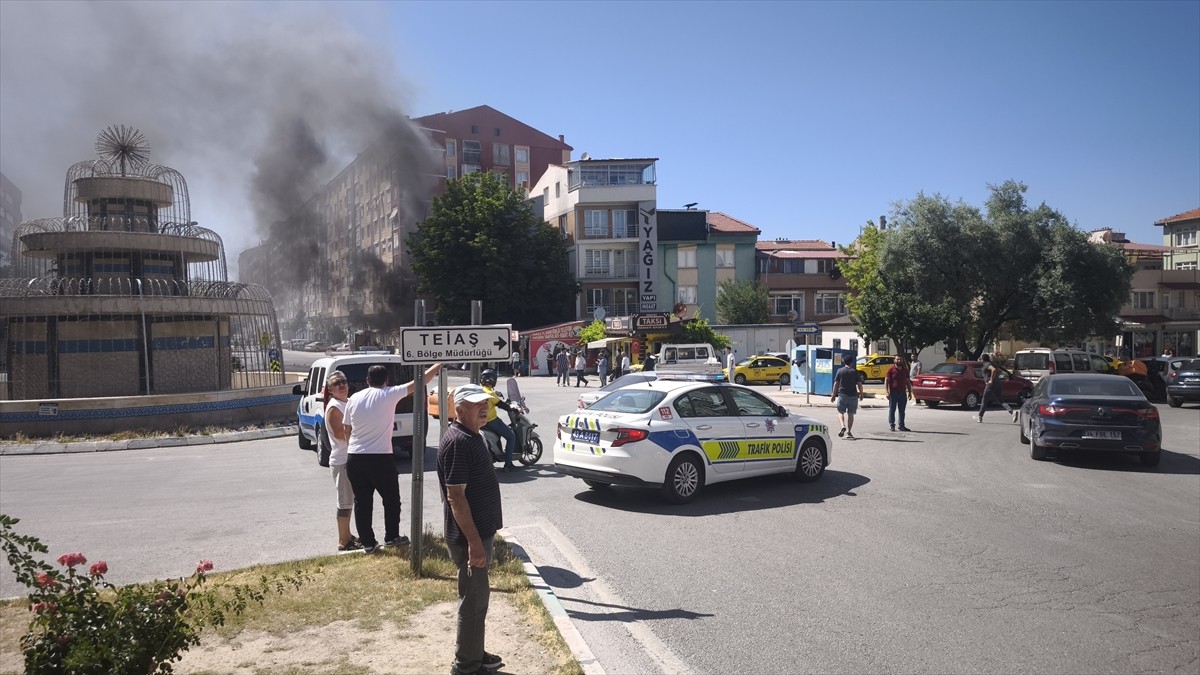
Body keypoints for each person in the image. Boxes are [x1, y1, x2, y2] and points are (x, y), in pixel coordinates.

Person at [437, 384, 506, 675]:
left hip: (479, 533)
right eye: (477, 404)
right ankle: (466, 665)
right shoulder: (458, 442)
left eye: (486, 404)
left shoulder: (472, 435)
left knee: (479, 600)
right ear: (459, 409)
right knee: (473, 603)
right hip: (469, 538)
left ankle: (473, 652)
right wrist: (475, 544)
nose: (484, 408)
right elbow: (456, 496)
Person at [344, 362, 442, 553]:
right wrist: (438, 364)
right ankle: (391, 537)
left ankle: (368, 543)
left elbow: (346, 429)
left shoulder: (354, 398)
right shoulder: (390, 393)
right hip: (380, 457)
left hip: (355, 457)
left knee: (362, 502)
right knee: (391, 500)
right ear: (386, 381)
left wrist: (352, 449)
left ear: (367, 380)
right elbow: (420, 381)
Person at [324, 370, 359, 553]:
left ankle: (348, 535)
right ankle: (343, 541)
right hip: (341, 460)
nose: (342, 385)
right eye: (337, 383)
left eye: (343, 381)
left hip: (350, 458)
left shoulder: (347, 402)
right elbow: (340, 434)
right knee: (344, 502)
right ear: (330, 389)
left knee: (349, 501)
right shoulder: (334, 408)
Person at [479, 368, 518, 472]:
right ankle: (508, 464)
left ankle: (498, 453)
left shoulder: (480, 389)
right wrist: (512, 408)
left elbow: (493, 397)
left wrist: (497, 394)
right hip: (491, 421)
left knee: (500, 434)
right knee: (511, 437)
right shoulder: (490, 394)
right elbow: (501, 405)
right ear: (493, 380)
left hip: (481, 421)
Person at [831, 354, 863, 439]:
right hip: (853, 395)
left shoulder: (840, 371)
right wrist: (861, 394)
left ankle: (842, 426)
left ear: (843, 361)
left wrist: (834, 395)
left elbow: (836, 384)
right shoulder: (855, 372)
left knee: (840, 412)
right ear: (852, 362)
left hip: (842, 394)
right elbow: (859, 384)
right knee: (851, 414)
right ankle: (849, 432)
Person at [977, 354, 1016, 423]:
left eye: (980, 359)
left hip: (991, 384)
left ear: (983, 359)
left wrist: (991, 379)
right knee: (1001, 400)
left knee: (984, 400)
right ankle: (1012, 412)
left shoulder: (987, 364)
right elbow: (998, 370)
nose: (980, 360)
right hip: (998, 383)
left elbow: (994, 370)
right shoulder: (991, 363)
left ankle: (980, 417)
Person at [885, 355, 913, 432]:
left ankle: (901, 426)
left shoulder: (905, 370)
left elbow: (907, 382)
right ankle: (892, 425)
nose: (899, 361)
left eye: (900, 359)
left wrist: (910, 392)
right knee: (892, 409)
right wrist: (887, 392)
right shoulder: (891, 369)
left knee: (902, 411)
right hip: (893, 393)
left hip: (902, 393)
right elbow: (886, 381)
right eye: (897, 359)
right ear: (894, 360)